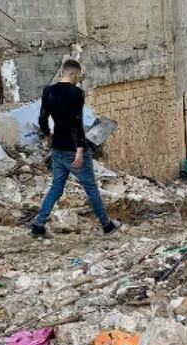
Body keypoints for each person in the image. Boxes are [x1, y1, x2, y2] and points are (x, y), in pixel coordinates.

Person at [31, 60, 121, 238]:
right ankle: (107, 226)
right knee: (91, 188)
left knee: (56, 187)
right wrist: (79, 149)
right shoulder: (76, 93)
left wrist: (49, 135)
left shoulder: (48, 91)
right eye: (79, 77)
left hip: (57, 148)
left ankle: (38, 226)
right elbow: (76, 122)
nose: (79, 79)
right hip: (73, 149)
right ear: (75, 74)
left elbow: (42, 119)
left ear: (61, 72)